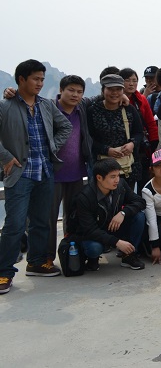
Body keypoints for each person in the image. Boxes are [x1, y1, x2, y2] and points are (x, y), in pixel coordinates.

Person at [0, 60, 72, 294]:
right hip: (20, 173)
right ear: (21, 79)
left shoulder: (46, 105)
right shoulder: (6, 105)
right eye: (35, 79)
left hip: (45, 171)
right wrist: (6, 157)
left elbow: (65, 127)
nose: (40, 83)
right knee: (15, 224)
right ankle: (4, 272)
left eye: (42, 79)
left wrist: (53, 147)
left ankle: (37, 262)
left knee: (42, 221)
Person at [70, 158, 147, 271]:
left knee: (139, 217)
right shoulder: (85, 196)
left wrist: (123, 213)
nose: (117, 180)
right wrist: (117, 242)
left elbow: (140, 202)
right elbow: (89, 230)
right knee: (94, 248)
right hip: (92, 233)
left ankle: (129, 255)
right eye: (112, 177)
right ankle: (92, 258)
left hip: (112, 226)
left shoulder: (120, 185)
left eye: (118, 175)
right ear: (99, 178)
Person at [48, 75, 91, 263]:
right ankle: (47, 258)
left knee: (73, 216)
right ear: (61, 90)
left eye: (79, 92)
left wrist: (123, 96)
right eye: (71, 90)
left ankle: (70, 255)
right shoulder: (48, 108)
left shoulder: (82, 109)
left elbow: (102, 97)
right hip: (52, 173)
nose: (75, 95)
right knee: (49, 218)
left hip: (76, 173)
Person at [87, 74, 144, 190]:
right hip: (103, 167)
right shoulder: (93, 111)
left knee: (127, 198)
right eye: (110, 89)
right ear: (103, 90)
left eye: (118, 89)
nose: (115, 93)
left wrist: (132, 144)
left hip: (128, 166)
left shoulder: (129, 109)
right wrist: (107, 150)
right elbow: (88, 138)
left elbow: (139, 132)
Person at [120, 68, 158, 189]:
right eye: (127, 80)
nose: (131, 84)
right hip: (121, 148)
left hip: (141, 148)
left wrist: (154, 146)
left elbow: (151, 123)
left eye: (134, 80)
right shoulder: (114, 100)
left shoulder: (141, 100)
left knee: (144, 183)